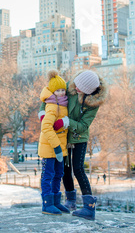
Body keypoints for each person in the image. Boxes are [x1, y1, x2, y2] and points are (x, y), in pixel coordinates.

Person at [39, 70, 108, 221]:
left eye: (80, 88)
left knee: (78, 169)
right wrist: (42, 114)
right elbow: (49, 96)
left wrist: (67, 122)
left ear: (88, 92)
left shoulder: (94, 102)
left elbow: (84, 125)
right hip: (63, 135)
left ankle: (89, 207)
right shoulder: (71, 85)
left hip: (78, 136)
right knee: (64, 168)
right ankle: (70, 200)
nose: (75, 88)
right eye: (76, 84)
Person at [37, 70, 70, 215]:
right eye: (58, 90)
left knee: (58, 174)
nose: (62, 93)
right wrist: (57, 147)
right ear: (52, 91)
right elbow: (46, 127)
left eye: (63, 90)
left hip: (59, 148)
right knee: (48, 175)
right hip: (51, 148)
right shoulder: (52, 105)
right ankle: (47, 204)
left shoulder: (62, 104)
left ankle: (56, 201)